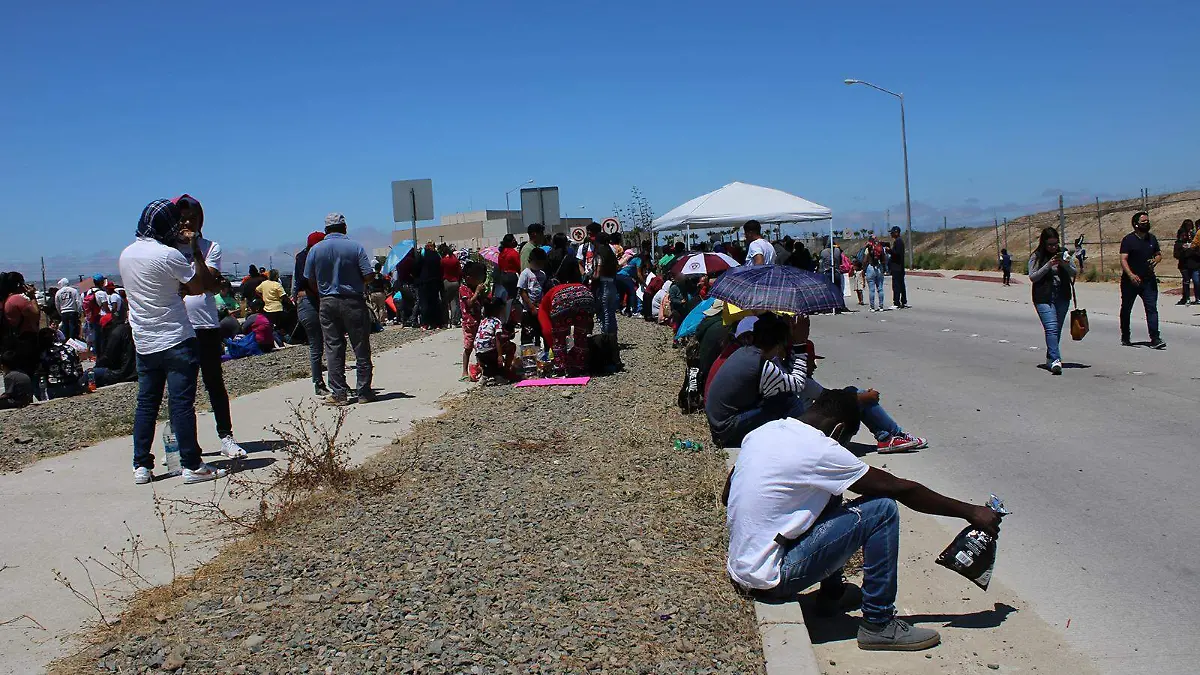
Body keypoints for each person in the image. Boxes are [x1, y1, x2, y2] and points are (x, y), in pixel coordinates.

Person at [724, 389, 1002, 651]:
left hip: (743, 565)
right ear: (838, 430)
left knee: (830, 492)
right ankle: (878, 624)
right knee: (882, 509)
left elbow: (728, 494)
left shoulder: (765, 432)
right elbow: (901, 489)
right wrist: (970, 511)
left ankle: (831, 597)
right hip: (770, 577)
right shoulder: (820, 450)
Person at [119, 199, 226, 485]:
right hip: (176, 337)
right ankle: (192, 465)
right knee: (181, 404)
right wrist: (192, 250)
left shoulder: (126, 254)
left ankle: (141, 465)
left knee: (146, 403)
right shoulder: (169, 255)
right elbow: (198, 286)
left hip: (144, 340)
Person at [175, 194, 248, 459]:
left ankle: (226, 436)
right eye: (183, 218)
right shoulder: (167, 249)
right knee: (181, 388)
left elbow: (207, 282)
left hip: (205, 323)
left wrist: (195, 251)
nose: (188, 223)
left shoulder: (210, 247)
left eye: (193, 218)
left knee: (214, 382)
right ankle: (184, 444)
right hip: (177, 325)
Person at [705, 313, 809, 448]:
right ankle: (802, 441)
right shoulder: (761, 366)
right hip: (727, 432)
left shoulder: (746, 352)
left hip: (719, 426)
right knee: (789, 400)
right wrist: (800, 343)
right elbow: (798, 384)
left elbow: (785, 378)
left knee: (780, 396)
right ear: (778, 346)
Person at [304, 213, 376, 404]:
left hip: (327, 301)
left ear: (326, 230)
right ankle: (364, 392)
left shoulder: (315, 250)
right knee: (361, 346)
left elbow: (309, 279)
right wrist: (357, 283)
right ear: (344, 228)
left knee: (333, 347)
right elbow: (368, 275)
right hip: (353, 300)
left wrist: (322, 292)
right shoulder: (355, 247)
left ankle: (339, 393)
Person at [1028, 228, 1077, 374]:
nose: (1053, 247)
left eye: (1055, 244)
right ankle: (1056, 360)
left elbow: (1074, 272)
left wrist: (1064, 264)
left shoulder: (1063, 253)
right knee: (1051, 328)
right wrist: (1048, 265)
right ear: (1044, 243)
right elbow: (1033, 276)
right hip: (1043, 296)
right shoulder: (1037, 256)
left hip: (1062, 295)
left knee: (1057, 329)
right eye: (1050, 244)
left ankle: (1050, 357)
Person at [538, 260, 594, 377]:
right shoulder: (560, 288)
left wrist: (554, 348)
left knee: (559, 336)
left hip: (562, 299)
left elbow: (547, 331)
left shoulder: (543, 306)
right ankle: (579, 366)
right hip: (586, 294)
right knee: (581, 335)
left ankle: (560, 368)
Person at [1119, 211, 1165, 349]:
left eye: (1147, 221)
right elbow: (1123, 259)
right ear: (1136, 224)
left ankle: (1155, 338)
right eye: (1143, 222)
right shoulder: (1128, 240)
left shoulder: (1152, 239)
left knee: (1152, 309)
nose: (1146, 223)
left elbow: (1158, 254)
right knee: (1126, 308)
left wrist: (1156, 260)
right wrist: (1131, 275)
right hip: (1130, 282)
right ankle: (1125, 336)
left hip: (1148, 280)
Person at [293, 231, 328, 395]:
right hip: (311, 301)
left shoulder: (301, 257)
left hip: (304, 302)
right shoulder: (313, 258)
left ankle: (320, 381)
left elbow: (296, 283)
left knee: (317, 344)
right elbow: (308, 281)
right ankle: (321, 383)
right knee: (320, 343)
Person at [87, 310, 137, 388]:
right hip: (134, 370)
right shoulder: (129, 329)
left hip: (123, 372)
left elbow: (108, 358)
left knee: (88, 374)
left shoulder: (115, 333)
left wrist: (96, 365)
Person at [474, 297, 514, 385]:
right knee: (511, 346)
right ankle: (503, 373)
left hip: (479, 353)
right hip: (490, 352)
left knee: (489, 365)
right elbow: (497, 340)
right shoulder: (496, 321)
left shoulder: (483, 321)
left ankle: (486, 375)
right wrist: (499, 356)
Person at [458, 262, 486, 381]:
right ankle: (464, 371)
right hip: (469, 323)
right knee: (468, 347)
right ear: (469, 278)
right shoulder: (463, 289)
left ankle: (480, 368)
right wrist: (477, 292)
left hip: (479, 321)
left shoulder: (474, 288)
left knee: (479, 346)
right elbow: (469, 303)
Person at [518, 246, 548, 346]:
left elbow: (543, 290)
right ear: (530, 261)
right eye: (537, 263)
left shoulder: (542, 274)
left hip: (539, 308)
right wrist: (531, 307)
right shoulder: (525, 273)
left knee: (541, 331)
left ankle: (541, 348)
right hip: (527, 309)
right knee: (528, 333)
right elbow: (522, 291)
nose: (539, 265)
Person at [416, 242, 444, 330]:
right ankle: (437, 323)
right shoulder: (437, 256)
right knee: (435, 302)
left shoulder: (422, 256)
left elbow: (416, 267)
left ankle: (425, 323)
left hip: (424, 282)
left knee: (424, 303)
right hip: (435, 281)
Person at [1173, 220, 1199, 305]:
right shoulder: (1179, 243)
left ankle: (1198, 298)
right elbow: (1176, 255)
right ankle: (1186, 298)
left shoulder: (1195, 241)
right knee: (1186, 281)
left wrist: (1192, 248)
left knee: (1196, 281)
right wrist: (1183, 249)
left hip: (1195, 264)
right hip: (1184, 265)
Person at [256, 269, 290, 334]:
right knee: (282, 327)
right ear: (276, 276)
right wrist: (290, 303)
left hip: (267, 309)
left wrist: (262, 297)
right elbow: (284, 296)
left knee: (270, 327)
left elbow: (257, 290)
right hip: (277, 309)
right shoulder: (277, 285)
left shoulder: (264, 283)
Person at [886, 226, 909, 309]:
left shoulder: (898, 241)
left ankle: (896, 303)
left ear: (896, 233)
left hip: (897, 267)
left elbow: (897, 254)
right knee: (901, 285)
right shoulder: (899, 241)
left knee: (896, 286)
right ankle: (904, 301)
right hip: (900, 267)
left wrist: (889, 250)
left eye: (892, 232)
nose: (891, 234)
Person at [440, 244, 462, 326]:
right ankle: (454, 320)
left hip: (446, 281)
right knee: (454, 302)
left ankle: (446, 321)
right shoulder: (455, 260)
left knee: (445, 302)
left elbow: (440, 271)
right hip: (455, 282)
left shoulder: (443, 261)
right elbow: (460, 272)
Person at [863, 236, 886, 312]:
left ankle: (872, 307)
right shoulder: (881, 248)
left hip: (871, 268)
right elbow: (884, 259)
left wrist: (864, 269)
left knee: (871, 289)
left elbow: (865, 260)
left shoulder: (868, 249)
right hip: (879, 268)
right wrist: (884, 268)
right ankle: (881, 306)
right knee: (880, 288)